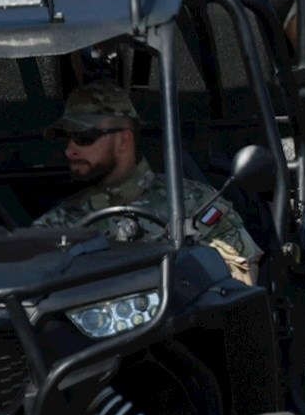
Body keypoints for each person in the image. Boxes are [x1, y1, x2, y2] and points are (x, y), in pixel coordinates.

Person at [30, 82, 260, 284]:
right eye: (67, 138)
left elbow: (239, 281)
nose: (70, 150)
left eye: (84, 137)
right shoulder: (59, 224)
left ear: (124, 139)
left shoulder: (195, 204)